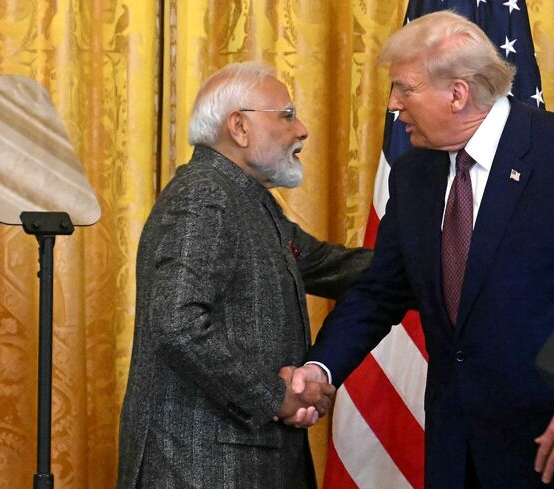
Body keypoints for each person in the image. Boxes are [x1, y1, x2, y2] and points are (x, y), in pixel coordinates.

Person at [291, 11, 554, 489]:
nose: (393, 105)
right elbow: (380, 291)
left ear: (457, 94)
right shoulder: (415, 175)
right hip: (459, 450)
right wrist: (321, 369)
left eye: (404, 88)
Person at [117, 62, 372, 489]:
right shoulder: (205, 196)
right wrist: (275, 396)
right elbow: (176, 325)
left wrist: (437, 263)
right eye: (287, 116)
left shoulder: (244, 198)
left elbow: (330, 266)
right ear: (239, 127)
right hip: (200, 469)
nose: (303, 130)